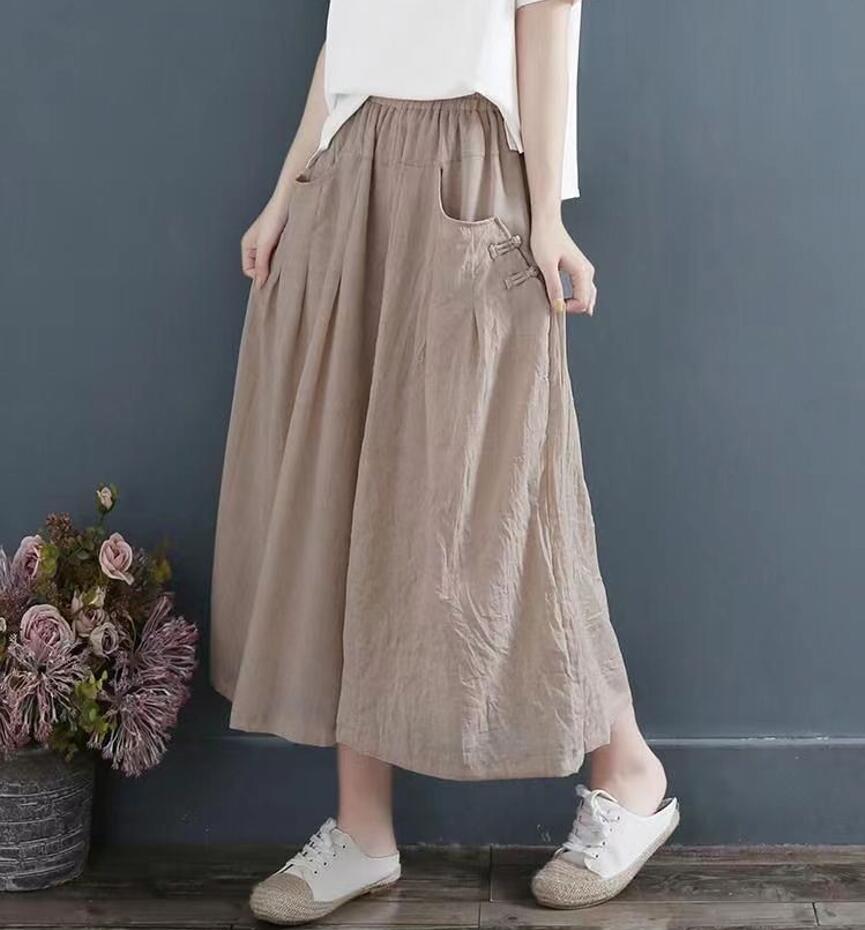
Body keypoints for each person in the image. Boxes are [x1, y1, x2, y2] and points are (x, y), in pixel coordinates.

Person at [210, 1, 679, 924]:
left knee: (499, 498)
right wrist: (286, 189)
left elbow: (546, 17)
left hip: (469, 165)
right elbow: (349, 34)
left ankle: (627, 769)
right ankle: (363, 829)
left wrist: (545, 214)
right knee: (348, 489)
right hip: (349, 168)